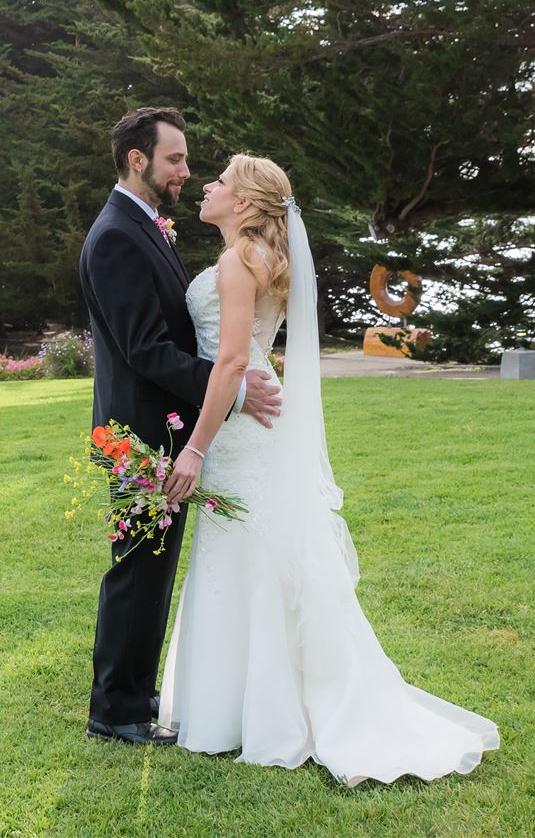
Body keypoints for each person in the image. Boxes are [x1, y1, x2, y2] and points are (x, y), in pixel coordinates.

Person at [158, 153, 499, 785]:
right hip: (254, 421)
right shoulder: (262, 259)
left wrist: (195, 448)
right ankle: (249, 703)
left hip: (236, 422)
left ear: (246, 202)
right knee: (257, 553)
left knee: (245, 552)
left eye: (222, 182)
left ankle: (250, 711)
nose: (207, 186)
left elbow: (232, 363)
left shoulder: (238, 262)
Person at [79, 107, 282, 746]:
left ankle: (135, 693)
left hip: (161, 428)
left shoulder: (147, 227)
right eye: (175, 160)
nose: (186, 173)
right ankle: (115, 711)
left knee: (152, 568)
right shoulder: (116, 234)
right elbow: (144, 349)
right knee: (138, 570)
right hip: (139, 433)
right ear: (137, 160)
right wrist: (230, 391)